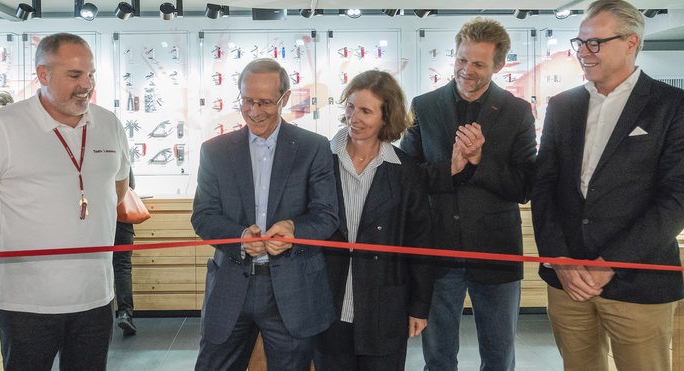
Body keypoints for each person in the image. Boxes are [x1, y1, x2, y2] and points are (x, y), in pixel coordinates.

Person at [531, 0, 684, 369]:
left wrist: (607, 264)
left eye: (594, 43)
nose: (583, 52)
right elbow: (544, 188)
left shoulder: (672, 106)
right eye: (580, 43)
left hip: (639, 282)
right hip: (568, 282)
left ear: (631, 43)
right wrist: (559, 259)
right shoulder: (563, 105)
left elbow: (676, 200)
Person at [0, 33, 130, 370]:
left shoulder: (109, 123)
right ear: (43, 75)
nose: (86, 84)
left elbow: (117, 191)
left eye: (91, 74)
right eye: (74, 76)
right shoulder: (2, 125)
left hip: (95, 296)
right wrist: (12, 237)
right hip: (26, 303)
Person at [400, 17, 537, 371]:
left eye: (478, 64)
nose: (466, 70)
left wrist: (479, 160)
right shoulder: (424, 106)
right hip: (437, 249)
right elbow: (405, 177)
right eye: (462, 60)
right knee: (438, 357)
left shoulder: (517, 111)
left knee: (498, 356)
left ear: (499, 65)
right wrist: (453, 168)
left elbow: (524, 185)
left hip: (496, 253)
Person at [191, 58, 339, 371]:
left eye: (265, 102)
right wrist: (239, 238)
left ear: (285, 99)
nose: (254, 111)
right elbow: (203, 216)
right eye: (247, 100)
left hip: (293, 289)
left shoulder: (313, 147)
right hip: (231, 285)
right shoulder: (214, 151)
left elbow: (326, 215)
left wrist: (294, 231)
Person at [314, 70, 434, 371]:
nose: (354, 117)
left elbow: (420, 241)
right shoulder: (319, 159)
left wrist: (420, 306)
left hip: (385, 306)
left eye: (366, 111)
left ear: (386, 117)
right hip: (327, 302)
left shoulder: (406, 170)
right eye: (351, 106)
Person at [114, 168, 137, 335]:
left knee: (100, 268)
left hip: (97, 222)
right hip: (122, 222)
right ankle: (125, 313)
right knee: (122, 268)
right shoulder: (120, 157)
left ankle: (100, 315)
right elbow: (131, 185)